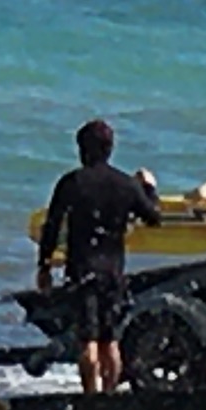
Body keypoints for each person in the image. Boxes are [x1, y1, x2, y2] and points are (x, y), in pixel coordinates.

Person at [37, 117, 164, 393]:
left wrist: (44, 265)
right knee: (111, 341)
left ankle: (90, 397)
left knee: (88, 341)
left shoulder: (71, 183)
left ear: (82, 149)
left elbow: (52, 226)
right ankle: (109, 395)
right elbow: (154, 218)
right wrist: (149, 188)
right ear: (110, 149)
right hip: (113, 271)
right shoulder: (125, 185)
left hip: (81, 270)